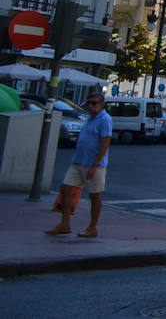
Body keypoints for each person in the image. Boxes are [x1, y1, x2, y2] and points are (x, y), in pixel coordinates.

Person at [46, 91, 112, 238]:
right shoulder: (90, 118)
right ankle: (64, 224)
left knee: (94, 195)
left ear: (101, 104)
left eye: (94, 103)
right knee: (66, 188)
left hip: (94, 164)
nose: (90, 106)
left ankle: (92, 227)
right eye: (88, 103)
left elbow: (105, 143)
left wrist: (95, 165)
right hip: (78, 161)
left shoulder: (105, 119)